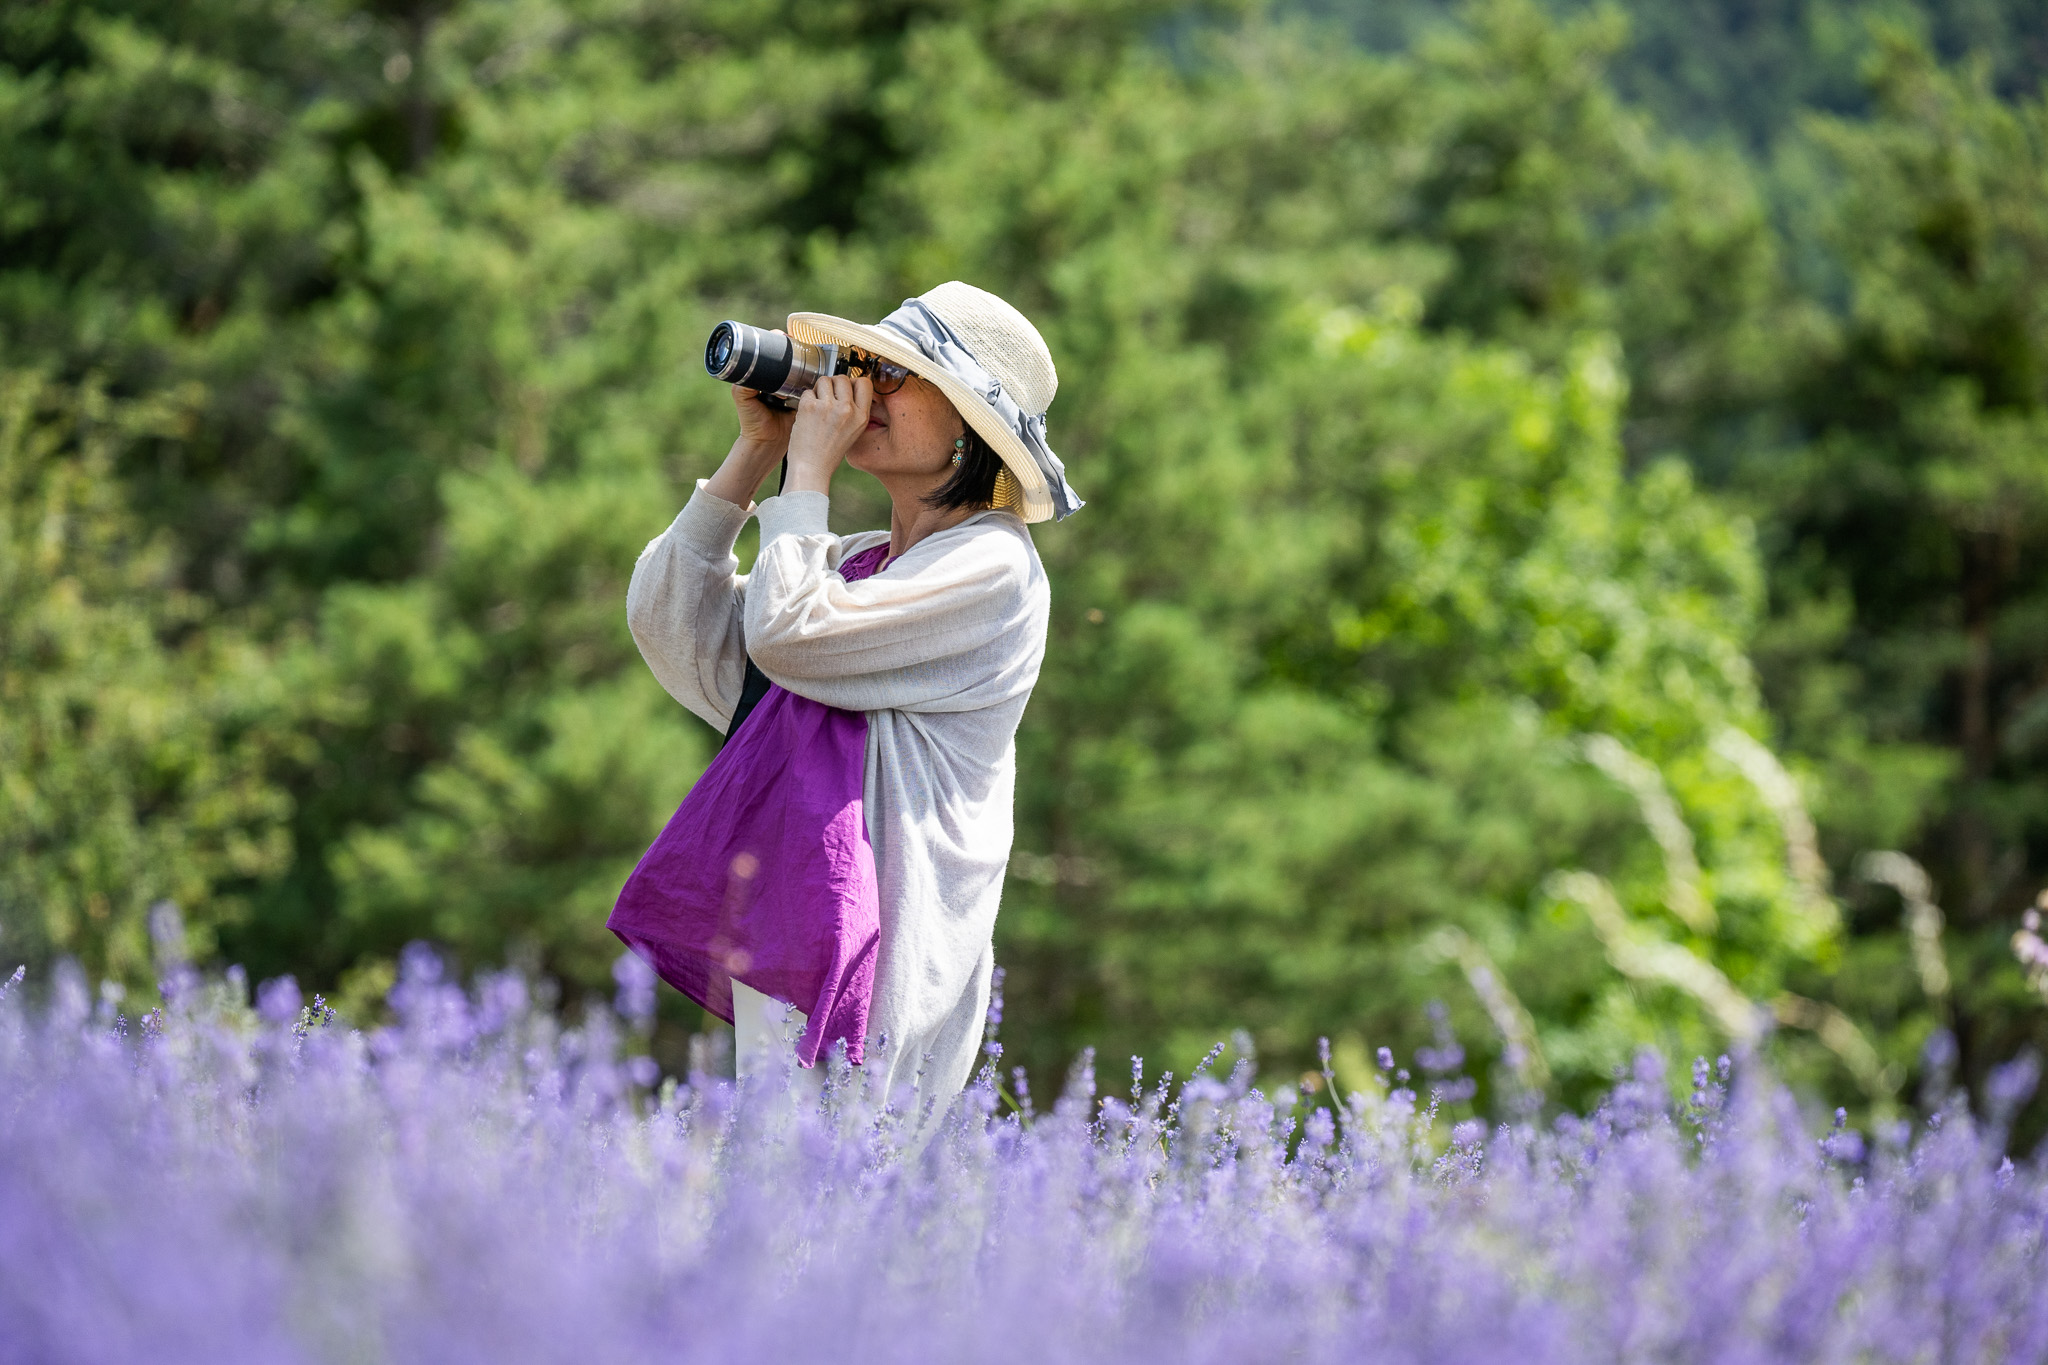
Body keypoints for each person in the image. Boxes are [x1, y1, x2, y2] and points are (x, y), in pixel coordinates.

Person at [610, 282, 1081, 1123]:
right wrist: (756, 452)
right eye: (861, 365)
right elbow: (671, 625)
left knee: (839, 1193)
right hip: (802, 929)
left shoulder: (995, 569)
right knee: (767, 1194)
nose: (862, 389)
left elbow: (788, 632)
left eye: (894, 375)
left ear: (972, 424)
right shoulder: (861, 567)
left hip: (889, 961)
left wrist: (808, 474)